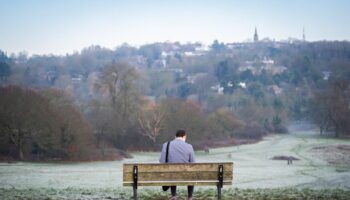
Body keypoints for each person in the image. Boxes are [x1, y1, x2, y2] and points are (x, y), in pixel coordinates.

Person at [159, 129, 195, 200]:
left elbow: (162, 161)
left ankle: (174, 196)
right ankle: (190, 197)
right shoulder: (189, 146)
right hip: (186, 175)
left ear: (175, 136)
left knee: (172, 172)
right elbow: (193, 163)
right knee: (191, 174)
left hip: (171, 175)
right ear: (184, 136)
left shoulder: (166, 145)